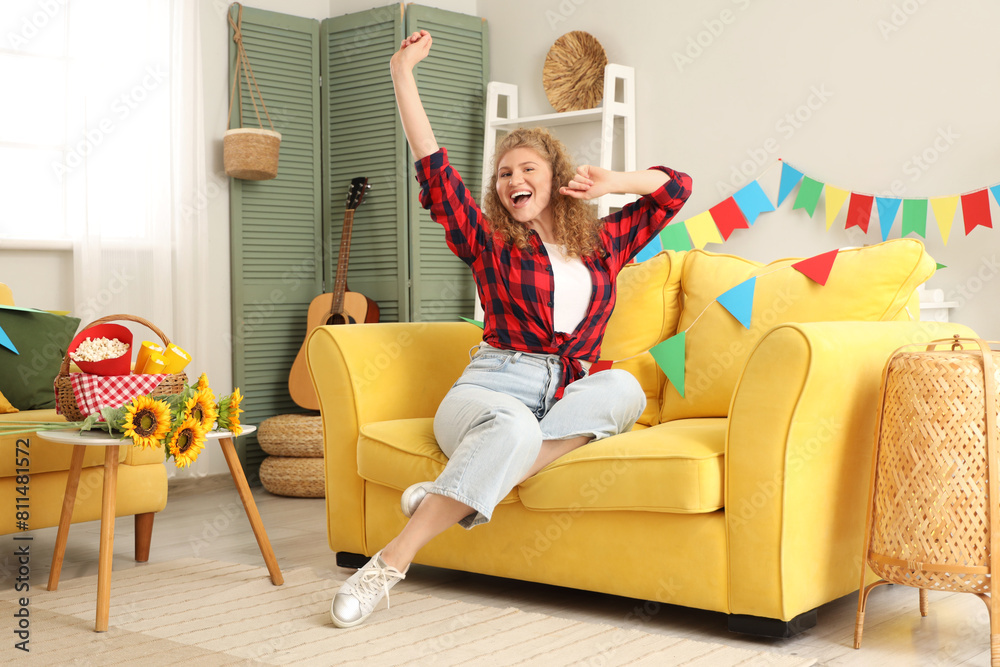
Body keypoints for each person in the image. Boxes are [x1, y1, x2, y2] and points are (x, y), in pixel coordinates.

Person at [330, 29, 692, 629]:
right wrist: (402, 75)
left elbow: (672, 189)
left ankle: (446, 494)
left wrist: (615, 184)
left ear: (554, 177)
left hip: (565, 392)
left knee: (625, 390)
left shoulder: (601, 243)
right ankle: (388, 564)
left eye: (527, 168)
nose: (512, 179)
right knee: (514, 425)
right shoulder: (489, 241)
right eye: (503, 174)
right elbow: (434, 165)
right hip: (491, 387)